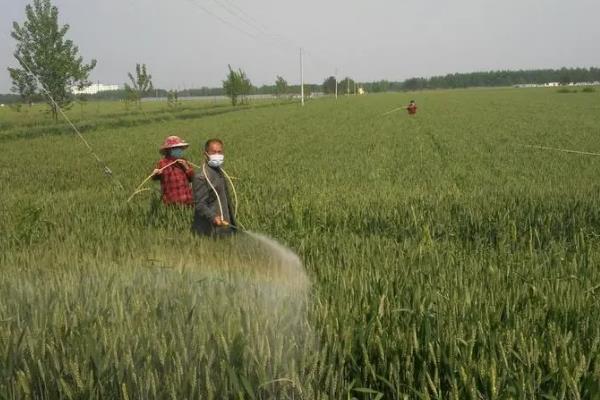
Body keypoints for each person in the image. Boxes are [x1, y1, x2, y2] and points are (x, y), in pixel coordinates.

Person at [192, 138, 237, 236]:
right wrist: (213, 217)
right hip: (211, 229)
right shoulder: (201, 177)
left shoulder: (219, 171)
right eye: (213, 152)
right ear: (206, 154)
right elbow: (200, 204)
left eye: (219, 152)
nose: (217, 155)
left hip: (225, 225)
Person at [152, 135, 194, 206]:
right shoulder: (162, 163)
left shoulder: (184, 161)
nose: (179, 150)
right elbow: (154, 177)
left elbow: (192, 178)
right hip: (171, 202)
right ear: (169, 150)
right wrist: (156, 173)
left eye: (180, 148)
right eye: (176, 148)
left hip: (188, 200)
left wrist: (186, 167)